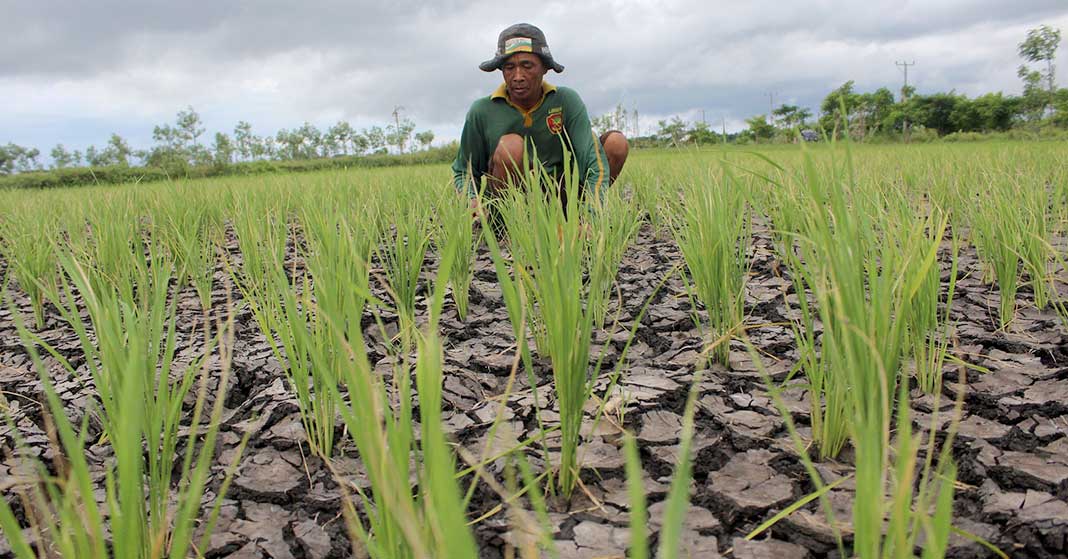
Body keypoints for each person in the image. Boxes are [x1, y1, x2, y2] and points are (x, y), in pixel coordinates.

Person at [451, 23, 629, 203]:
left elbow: (592, 161)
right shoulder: (482, 111)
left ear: (544, 67)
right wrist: (471, 201)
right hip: (510, 205)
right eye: (509, 67)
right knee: (510, 146)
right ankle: (507, 227)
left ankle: (578, 218)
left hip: (563, 198)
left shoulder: (566, 101)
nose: (518, 76)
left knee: (616, 143)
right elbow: (463, 172)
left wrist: (593, 214)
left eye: (527, 65)